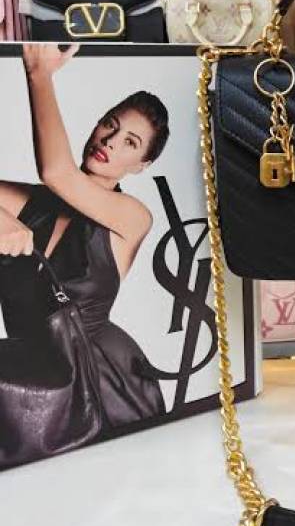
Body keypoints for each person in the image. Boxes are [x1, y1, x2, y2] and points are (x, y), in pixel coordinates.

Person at [0, 44, 169, 443]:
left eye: (130, 142)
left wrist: (39, 74)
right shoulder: (30, 204)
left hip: (101, 386)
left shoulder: (132, 217)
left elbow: (58, 173)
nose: (110, 141)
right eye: (110, 124)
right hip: (31, 380)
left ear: (141, 165)